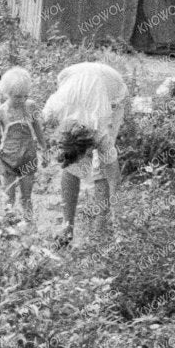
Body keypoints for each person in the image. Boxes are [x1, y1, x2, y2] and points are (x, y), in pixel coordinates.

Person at [44, 60, 128, 245]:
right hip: (73, 76)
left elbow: (115, 180)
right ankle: (67, 227)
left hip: (112, 90)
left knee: (101, 169)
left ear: (90, 146)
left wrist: (121, 227)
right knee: (73, 167)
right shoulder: (53, 111)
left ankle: (101, 230)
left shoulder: (100, 131)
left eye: (87, 154)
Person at [0, 67, 41, 222]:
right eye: (17, 97)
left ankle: (30, 228)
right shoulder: (0, 112)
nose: (22, 100)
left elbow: (38, 129)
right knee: (8, 196)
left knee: (26, 197)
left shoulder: (30, 107)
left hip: (28, 157)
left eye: (25, 96)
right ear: (7, 93)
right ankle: (5, 228)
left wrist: (44, 148)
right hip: (8, 159)